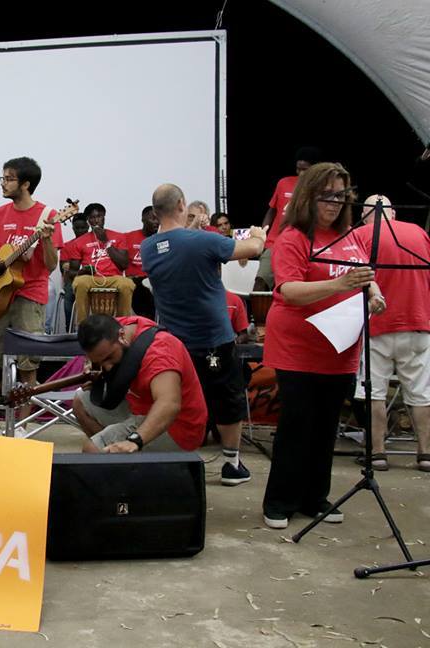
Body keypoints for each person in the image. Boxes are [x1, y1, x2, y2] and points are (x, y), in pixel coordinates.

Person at [261, 163, 386, 529]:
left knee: (325, 427)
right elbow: (288, 290)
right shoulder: (294, 238)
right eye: (326, 195)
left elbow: (366, 277)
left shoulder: (350, 236)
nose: (333, 203)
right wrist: (340, 286)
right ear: (308, 196)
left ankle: (315, 498)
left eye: (340, 196)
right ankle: (280, 501)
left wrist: (374, 294)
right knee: (296, 426)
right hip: (298, 348)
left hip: (341, 349)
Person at [141, 183, 266, 486]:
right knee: (227, 398)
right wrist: (258, 234)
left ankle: (178, 456)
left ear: (155, 213)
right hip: (213, 339)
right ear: (182, 204)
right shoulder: (202, 240)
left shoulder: (148, 249)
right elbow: (252, 250)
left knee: (178, 400)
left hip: (175, 341)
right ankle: (231, 464)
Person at [0, 157, 63, 435]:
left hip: (30, 295)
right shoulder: (0, 214)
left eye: (8, 178)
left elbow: (51, 265)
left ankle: (22, 425)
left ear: (25, 184)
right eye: (3, 178)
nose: (3, 183)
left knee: (27, 363)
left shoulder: (49, 216)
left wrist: (45, 239)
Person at [352, 194, 430, 472]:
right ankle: (425, 454)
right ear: (393, 213)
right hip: (419, 321)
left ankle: (378, 454)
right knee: (421, 392)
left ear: (365, 215)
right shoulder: (419, 232)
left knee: (375, 391)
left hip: (378, 322)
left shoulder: (360, 234)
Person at [72, 314, 206, 453]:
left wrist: (135, 440)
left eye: (109, 358)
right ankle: (125, 463)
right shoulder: (114, 328)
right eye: (99, 362)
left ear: (121, 336)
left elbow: (169, 404)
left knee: (92, 450)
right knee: (80, 402)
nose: (107, 367)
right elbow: (96, 355)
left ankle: (128, 458)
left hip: (177, 427)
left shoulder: (160, 353)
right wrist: (92, 366)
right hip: (139, 407)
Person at [255, 146, 323, 291]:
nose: (301, 173)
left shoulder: (321, 190)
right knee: (260, 283)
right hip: (274, 243)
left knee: (293, 287)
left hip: (303, 247)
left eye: (305, 169)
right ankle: (257, 315)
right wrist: (263, 234)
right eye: (298, 169)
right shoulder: (283, 183)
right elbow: (271, 211)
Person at [63, 202, 134, 323]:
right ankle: (82, 326)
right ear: (88, 221)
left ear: (104, 217)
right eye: (92, 217)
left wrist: (106, 241)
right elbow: (72, 273)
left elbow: (124, 264)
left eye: (99, 216)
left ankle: (123, 325)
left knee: (127, 284)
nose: (96, 220)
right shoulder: (79, 242)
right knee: (80, 282)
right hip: (91, 278)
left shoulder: (119, 236)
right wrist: (82, 271)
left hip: (114, 278)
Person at [121, 205, 158, 319]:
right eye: (153, 218)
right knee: (138, 285)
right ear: (143, 219)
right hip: (135, 279)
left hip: (154, 279)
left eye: (158, 218)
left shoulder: (163, 239)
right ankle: (147, 321)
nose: (156, 222)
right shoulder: (128, 237)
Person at [61, 213, 91, 328]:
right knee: (69, 292)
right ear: (73, 228)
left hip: (93, 280)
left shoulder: (94, 243)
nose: (80, 231)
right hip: (72, 281)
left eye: (83, 228)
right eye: (77, 228)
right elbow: (63, 269)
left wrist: (74, 268)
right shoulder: (67, 246)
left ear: (88, 227)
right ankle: (69, 327)